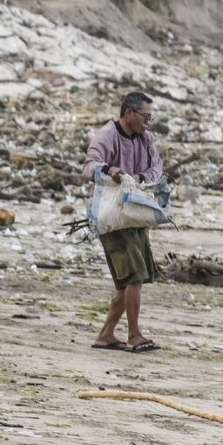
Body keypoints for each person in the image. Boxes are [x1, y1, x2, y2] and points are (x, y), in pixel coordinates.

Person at [86, 91, 164, 353]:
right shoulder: (108, 135)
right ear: (129, 113)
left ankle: (106, 335)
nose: (147, 122)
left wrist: (137, 177)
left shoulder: (146, 139)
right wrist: (109, 170)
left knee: (128, 280)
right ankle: (134, 335)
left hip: (137, 214)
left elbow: (157, 169)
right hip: (113, 218)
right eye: (145, 116)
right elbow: (90, 165)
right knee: (133, 277)